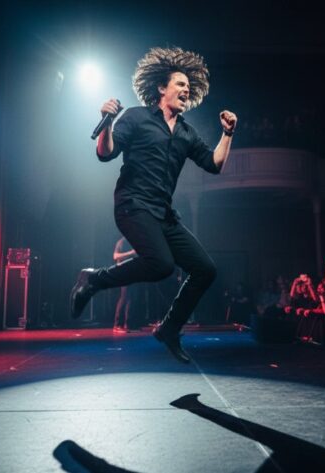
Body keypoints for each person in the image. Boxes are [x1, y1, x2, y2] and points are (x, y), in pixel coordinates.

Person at [69, 47, 238, 363]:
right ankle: (94, 279)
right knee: (161, 264)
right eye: (180, 84)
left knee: (205, 269)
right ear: (161, 88)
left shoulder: (187, 133)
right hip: (132, 204)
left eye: (189, 87)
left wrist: (227, 134)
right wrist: (105, 122)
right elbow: (105, 153)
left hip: (163, 213)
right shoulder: (135, 117)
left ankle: (169, 329)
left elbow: (214, 164)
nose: (185, 90)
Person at [112, 237, 137, 333]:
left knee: (130, 298)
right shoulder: (122, 242)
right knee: (124, 297)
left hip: (131, 272)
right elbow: (115, 256)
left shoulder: (133, 241)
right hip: (123, 273)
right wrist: (131, 253)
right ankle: (117, 325)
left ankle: (127, 324)